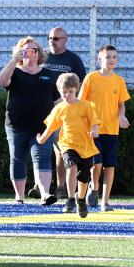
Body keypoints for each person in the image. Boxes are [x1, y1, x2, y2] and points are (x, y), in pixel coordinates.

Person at [0, 36, 60, 205]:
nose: (30, 54)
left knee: (43, 157)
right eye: (25, 50)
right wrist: (13, 61)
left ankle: (45, 194)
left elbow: (57, 101)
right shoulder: (15, 71)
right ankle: (19, 197)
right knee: (18, 158)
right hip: (16, 125)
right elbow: (3, 81)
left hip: (43, 126)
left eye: (33, 50)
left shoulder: (49, 74)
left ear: (39, 53)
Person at [37, 73, 100, 219]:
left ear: (76, 90)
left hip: (85, 146)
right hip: (67, 144)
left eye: (70, 92)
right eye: (63, 92)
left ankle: (81, 199)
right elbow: (51, 127)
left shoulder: (87, 106)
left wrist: (94, 130)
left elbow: (95, 122)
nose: (67, 95)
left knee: (84, 177)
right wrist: (42, 139)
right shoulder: (59, 109)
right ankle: (71, 199)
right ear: (59, 91)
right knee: (71, 168)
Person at [78, 45, 130, 211]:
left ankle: (105, 201)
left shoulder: (119, 81)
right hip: (94, 130)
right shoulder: (91, 78)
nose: (111, 60)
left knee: (110, 166)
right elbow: (81, 103)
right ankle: (94, 189)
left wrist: (121, 115)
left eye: (114, 57)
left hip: (112, 130)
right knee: (96, 164)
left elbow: (121, 104)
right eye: (108, 57)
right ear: (99, 59)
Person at [42, 27, 87, 199]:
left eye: (56, 38)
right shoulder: (43, 56)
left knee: (62, 149)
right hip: (43, 109)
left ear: (65, 39)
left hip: (64, 111)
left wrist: (67, 102)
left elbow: (80, 84)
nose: (52, 41)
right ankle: (43, 186)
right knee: (45, 149)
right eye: (50, 37)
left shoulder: (73, 59)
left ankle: (62, 187)